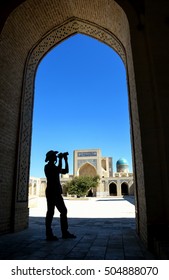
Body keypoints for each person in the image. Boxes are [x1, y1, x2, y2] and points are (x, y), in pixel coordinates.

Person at [44, 150, 76, 241]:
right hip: (52, 192)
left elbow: (66, 171)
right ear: (51, 157)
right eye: (54, 155)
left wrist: (65, 160)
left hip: (56, 192)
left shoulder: (54, 167)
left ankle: (64, 232)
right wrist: (61, 159)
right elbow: (58, 169)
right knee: (51, 212)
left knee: (63, 211)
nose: (56, 156)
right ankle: (50, 234)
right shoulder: (48, 167)